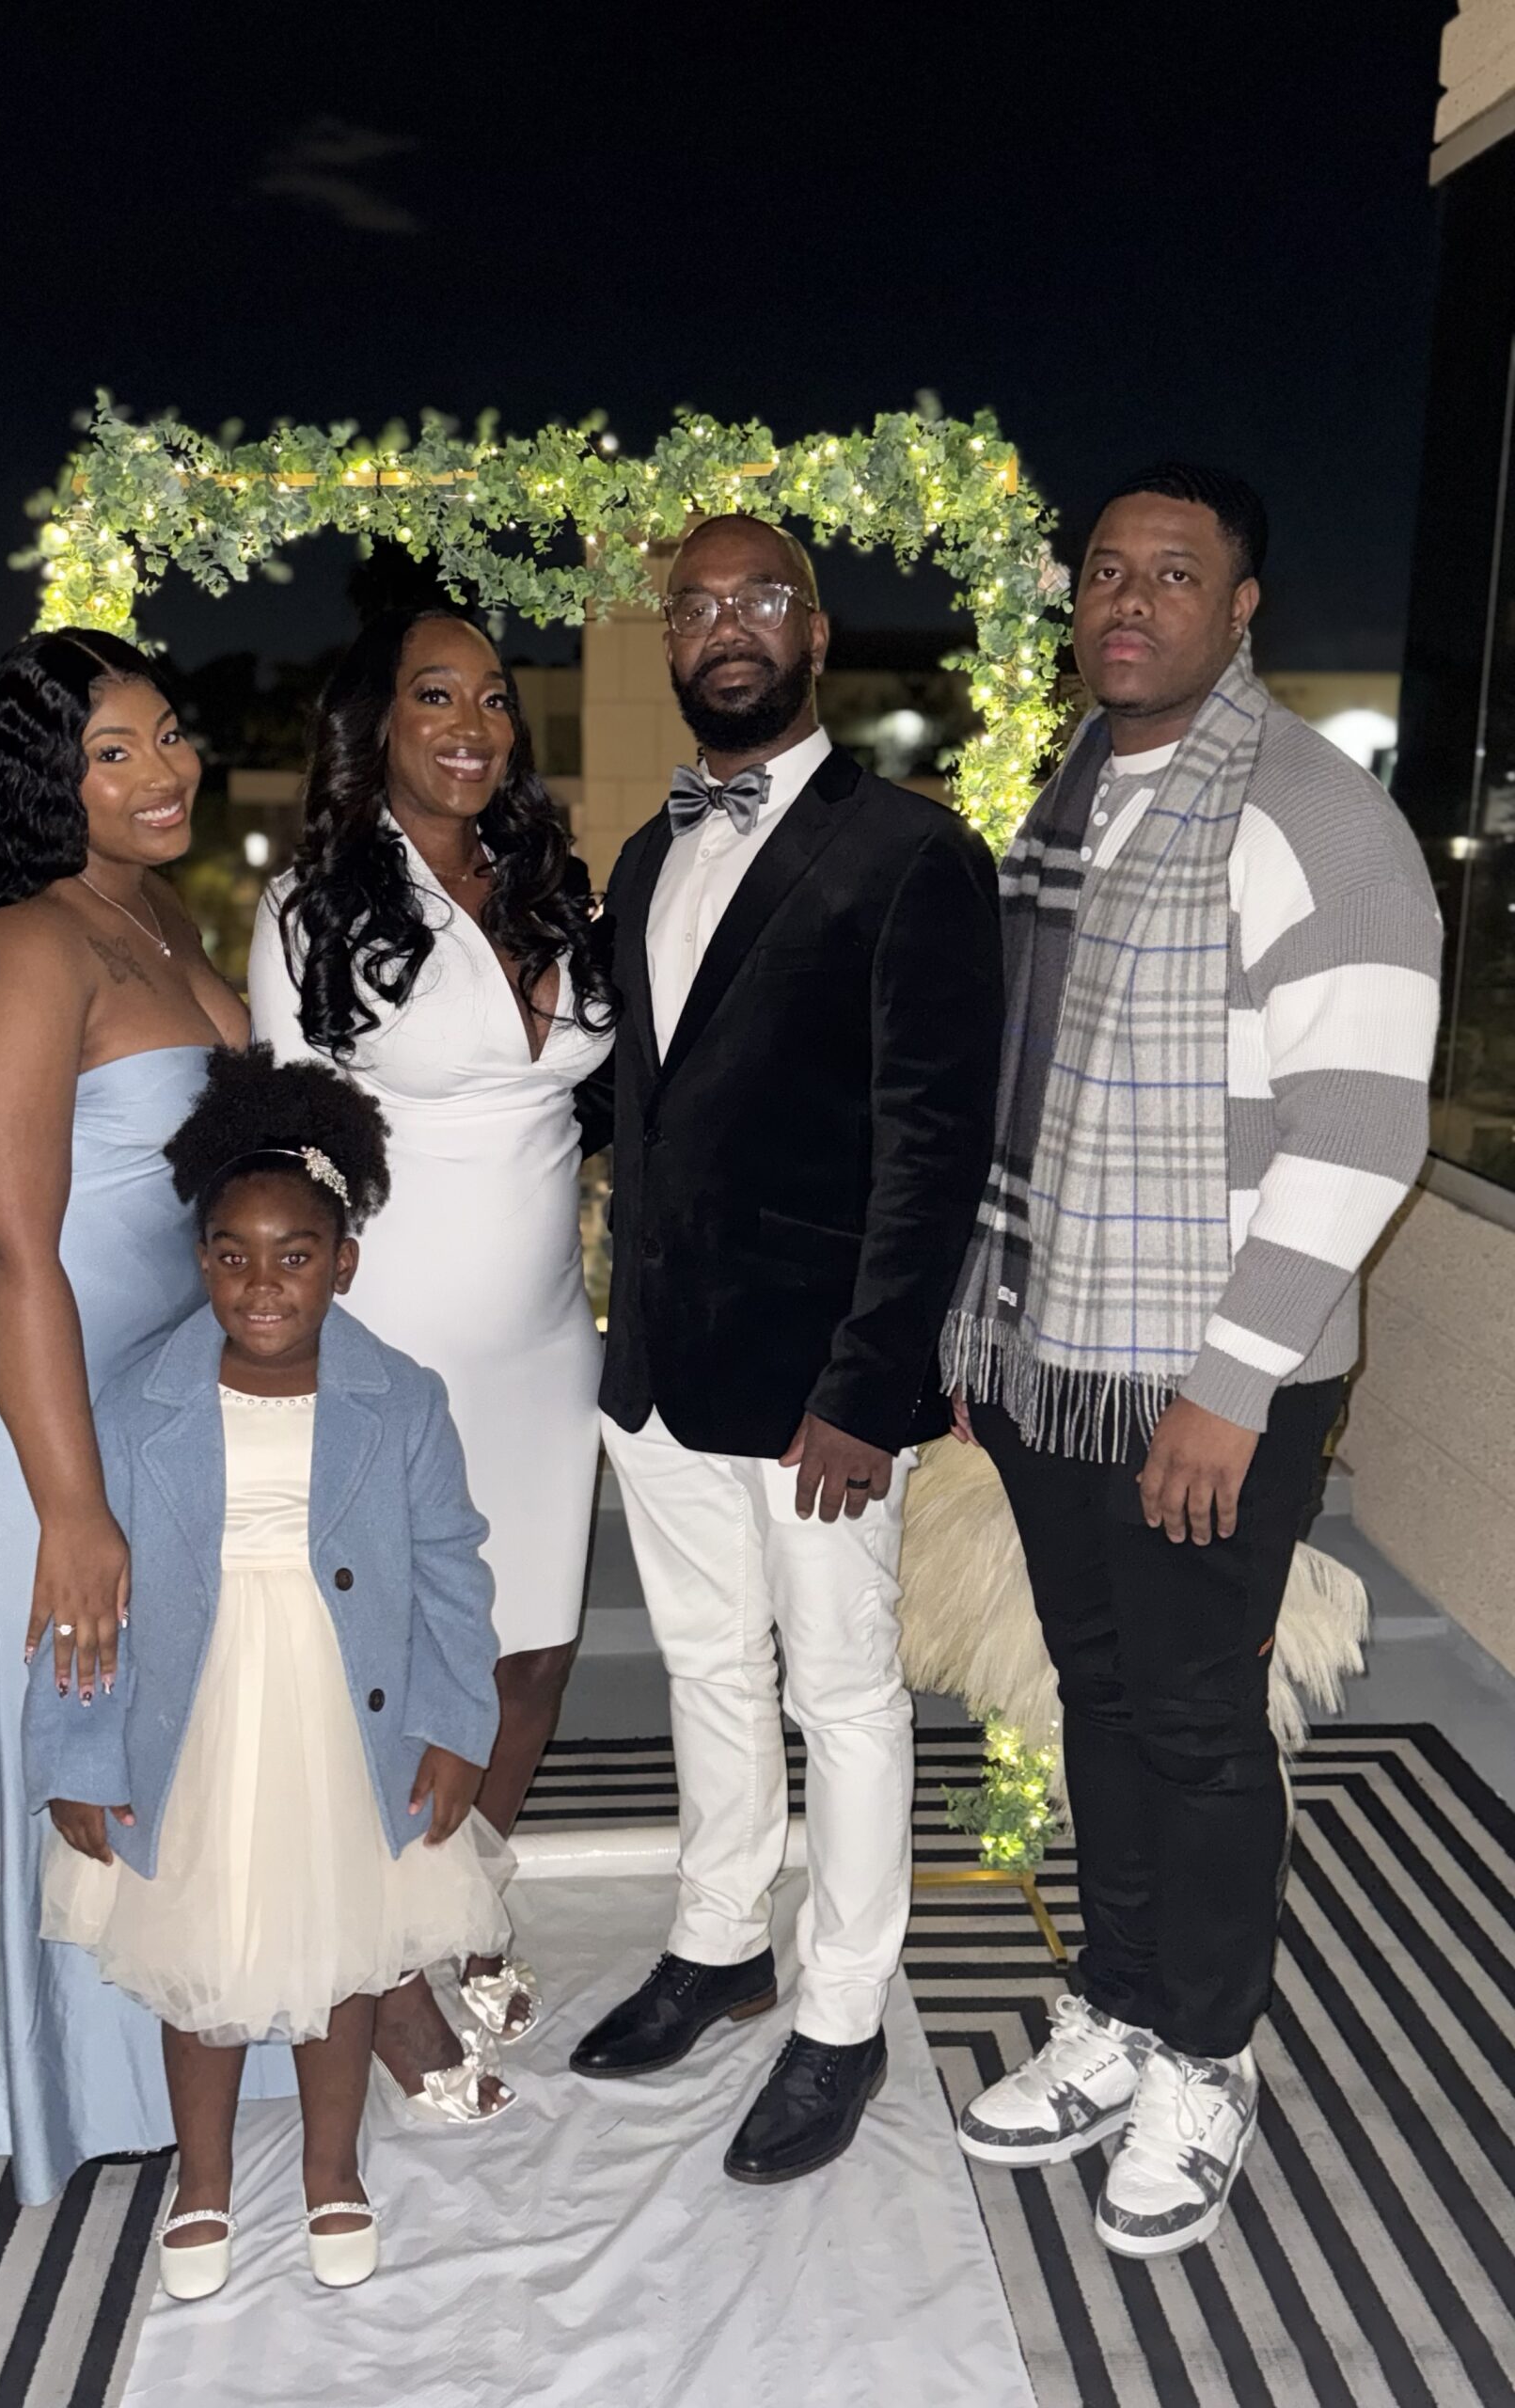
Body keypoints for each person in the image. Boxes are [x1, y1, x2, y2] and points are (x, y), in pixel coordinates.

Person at [944, 466, 1442, 2257]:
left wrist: (1228, 1385)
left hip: (1217, 1376)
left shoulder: (1313, 812)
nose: (1128, 599)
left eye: (1174, 573)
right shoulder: (1077, 789)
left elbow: (1362, 1131)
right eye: (1106, 570)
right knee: (1098, 1698)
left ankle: (1208, 2055)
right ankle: (1123, 2007)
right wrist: (984, 1323)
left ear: (1243, 611)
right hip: (1053, 1351)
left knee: (1196, 1720)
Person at [568, 515, 1003, 2184]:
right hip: (660, 1368)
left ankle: (840, 2016)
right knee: (704, 1669)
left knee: (844, 1694)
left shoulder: (913, 855)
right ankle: (718, 1940)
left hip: (820, 1388)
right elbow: (641, 1109)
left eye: (759, 599)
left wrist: (869, 1390)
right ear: (671, 643)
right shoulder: (642, 858)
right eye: (695, 606)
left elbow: (932, 1152)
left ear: (816, 634)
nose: (725, 625)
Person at [0, 631, 260, 2206]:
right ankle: (37, 2078)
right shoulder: (20, 947)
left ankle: (162, 2037)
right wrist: (73, 1507)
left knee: (137, 1675)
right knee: (52, 1673)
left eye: (171, 735)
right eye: (114, 752)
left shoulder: (154, 913)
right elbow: (1, 1243)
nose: (164, 773)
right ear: (44, 781)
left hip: (123, 1353)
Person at [25, 1047, 507, 2299]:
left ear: (343, 1264)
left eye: (295, 1256)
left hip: (345, 1716)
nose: (262, 1284)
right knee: (203, 1952)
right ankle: (204, 2182)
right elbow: (83, 1600)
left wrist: (457, 1725)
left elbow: (451, 1572)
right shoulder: (136, 1405)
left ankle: (331, 2170)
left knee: (343, 1949)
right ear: (201, 1263)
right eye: (233, 1256)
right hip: (194, 1715)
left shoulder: (402, 1401)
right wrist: (77, 1750)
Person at [248, 608, 615, 2097]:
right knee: (397, 1671)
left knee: (530, 1654)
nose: (473, 724)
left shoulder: (553, 887)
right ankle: (388, 1973)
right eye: (435, 695)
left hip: (546, 1346)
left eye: (494, 698)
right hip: (392, 1352)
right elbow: (285, 1146)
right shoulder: (309, 909)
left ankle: (464, 1904)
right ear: (378, 725)